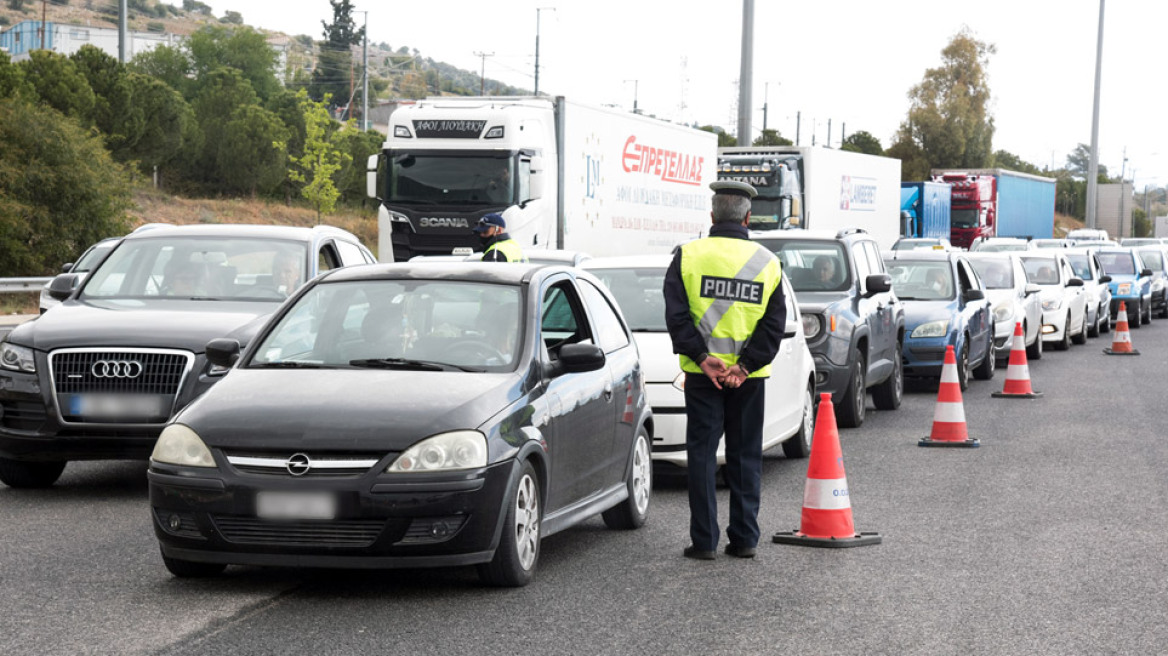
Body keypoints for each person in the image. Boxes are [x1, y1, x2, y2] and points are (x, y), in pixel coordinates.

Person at [663, 179, 786, 561]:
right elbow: (774, 324)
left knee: (701, 456)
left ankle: (704, 543)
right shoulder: (768, 262)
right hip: (748, 381)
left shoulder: (687, 256)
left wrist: (703, 358)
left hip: (703, 376)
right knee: (746, 455)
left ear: (712, 215)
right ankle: (745, 539)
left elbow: (676, 317)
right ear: (749, 217)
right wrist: (746, 366)